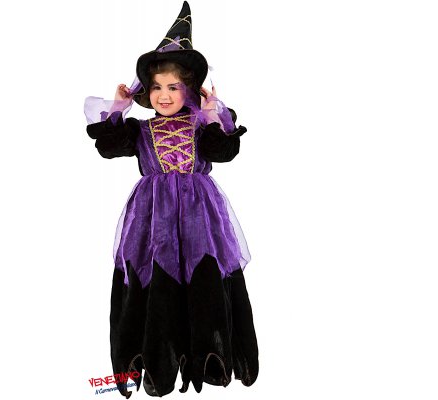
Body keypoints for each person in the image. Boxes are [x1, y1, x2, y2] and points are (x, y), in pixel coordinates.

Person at [84, 2, 258, 397]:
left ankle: (208, 355)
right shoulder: (140, 130)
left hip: (200, 217)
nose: (164, 95)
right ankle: (153, 358)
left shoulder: (202, 126)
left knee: (203, 275)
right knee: (153, 277)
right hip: (152, 219)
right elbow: (108, 147)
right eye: (157, 87)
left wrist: (212, 115)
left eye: (174, 87)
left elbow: (225, 151)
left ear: (190, 90)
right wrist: (118, 107)